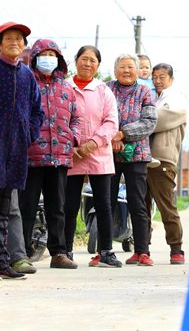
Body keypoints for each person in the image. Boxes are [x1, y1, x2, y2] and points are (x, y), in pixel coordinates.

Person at [0, 22, 44, 281]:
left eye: (19, 39)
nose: (14, 42)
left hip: (15, 153)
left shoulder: (27, 75)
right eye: (8, 38)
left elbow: (37, 112)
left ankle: (1, 262)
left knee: (3, 210)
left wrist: (27, 134)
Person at [19, 39, 81, 269]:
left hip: (60, 156)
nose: (48, 58)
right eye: (43, 53)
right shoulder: (25, 81)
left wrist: (72, 138)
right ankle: (21, 253)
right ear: (35, 57)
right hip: (31, 155)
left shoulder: (66, 87)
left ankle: (59, 253)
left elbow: (76, 118)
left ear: (59, 59)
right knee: (27, 206)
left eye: (52, 54)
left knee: (58, 208)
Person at [64, 45, 121, 268]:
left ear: (98, 65)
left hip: (98, 154)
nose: (87, 64)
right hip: (71, 154)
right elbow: (58, 118)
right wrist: (72, 147)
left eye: (93, 61)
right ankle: (65, 251)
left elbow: (111, 122)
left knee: (104, 205)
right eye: (84, 59)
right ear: (76, 60)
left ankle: (106, 251)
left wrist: (91, 144)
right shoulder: (64, 87)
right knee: (68, 205)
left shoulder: (104, 91)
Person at [107, 53, 157, 266]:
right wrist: (111, 136)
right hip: (108, 152)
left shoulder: (145, 91)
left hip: (137, 154)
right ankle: (104, 250)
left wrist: (123, 134)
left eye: (130, 67)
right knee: (106, 201)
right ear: (115, 70)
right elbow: (99, 116)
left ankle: (142, 251)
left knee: (137, 202)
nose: (126, 71)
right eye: (122, 67)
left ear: (137, 70)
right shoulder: (106, 89)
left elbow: (149, 122)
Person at [145, 63, 187, 264]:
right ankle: (142, 248)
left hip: (163, 158)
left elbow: (158, 120)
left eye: (162, 76)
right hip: (141, 157)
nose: (157, 80)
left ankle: (176, 248)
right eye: (154, 77)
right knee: (140, 207)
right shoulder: (154, 97)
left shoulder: (176, 97)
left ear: (171, 78)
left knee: (166, 206)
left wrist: (141, 118)